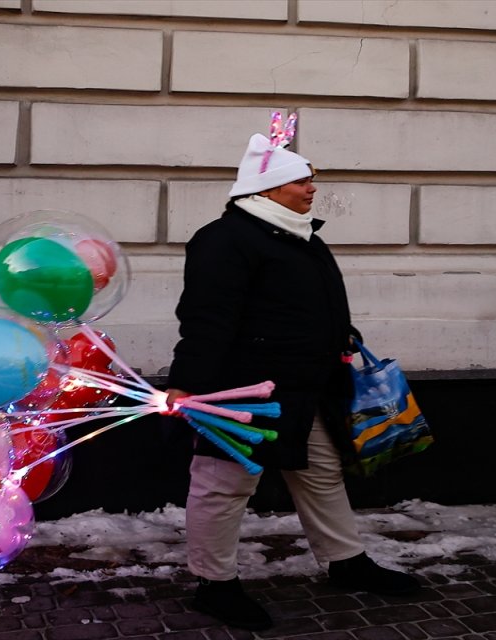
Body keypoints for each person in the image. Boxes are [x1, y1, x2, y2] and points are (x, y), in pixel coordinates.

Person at [165, 126, 419, 631]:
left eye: (310, 180)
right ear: (267, 189)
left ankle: (346, 561)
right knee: (224, 484)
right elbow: (207, 317)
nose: (311, 188)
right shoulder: (224, 239)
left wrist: (339, 333)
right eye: (301, 181)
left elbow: (305, 302)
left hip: (309, 386)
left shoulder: (302, 235)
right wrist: (188, 384)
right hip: (243, 393)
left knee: (320, 473)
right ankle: (214, 585)